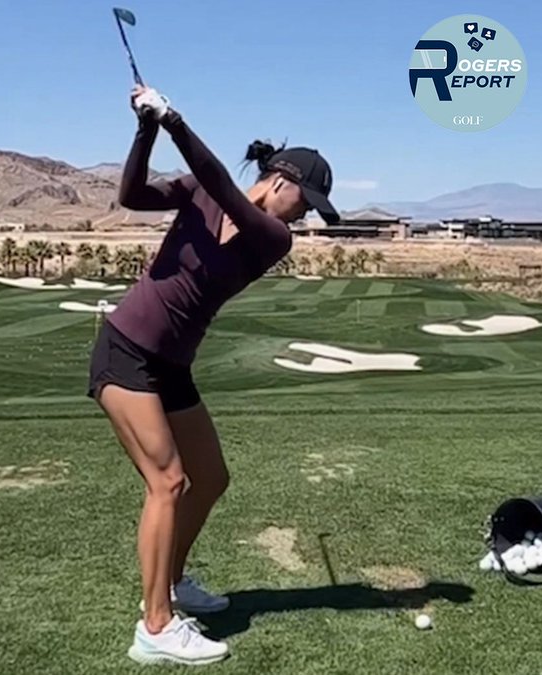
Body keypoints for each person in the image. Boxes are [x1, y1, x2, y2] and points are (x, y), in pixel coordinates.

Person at [90, 84, 338, 666]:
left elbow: (226, 187)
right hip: (126, 350)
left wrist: (174, 120)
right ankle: (155, 626)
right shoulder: (199, 192)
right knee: (168, 482)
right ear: (280, 180)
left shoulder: (273, 237)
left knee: (212, 476)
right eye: (306, 201)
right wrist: (148, 129)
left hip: (172, 365)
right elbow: (131, 194)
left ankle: (171, 585)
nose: (306, 216)